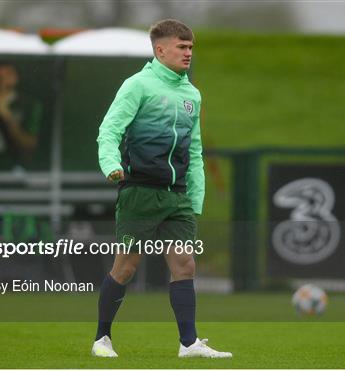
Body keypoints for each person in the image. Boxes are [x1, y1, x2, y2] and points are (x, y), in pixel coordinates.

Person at [92, 19, 232, 359]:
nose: (188, 54)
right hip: (139, 191)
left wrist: (194, 195)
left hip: (177, 195)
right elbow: (109, 130)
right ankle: (102, 339)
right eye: (182, 48)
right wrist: (110, 164)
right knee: (126, 266)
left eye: (190, 48)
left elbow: (194, 149)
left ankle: (189, 344)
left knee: (184, 263)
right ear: (160, 50)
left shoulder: (191, 94)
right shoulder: (137, 85)